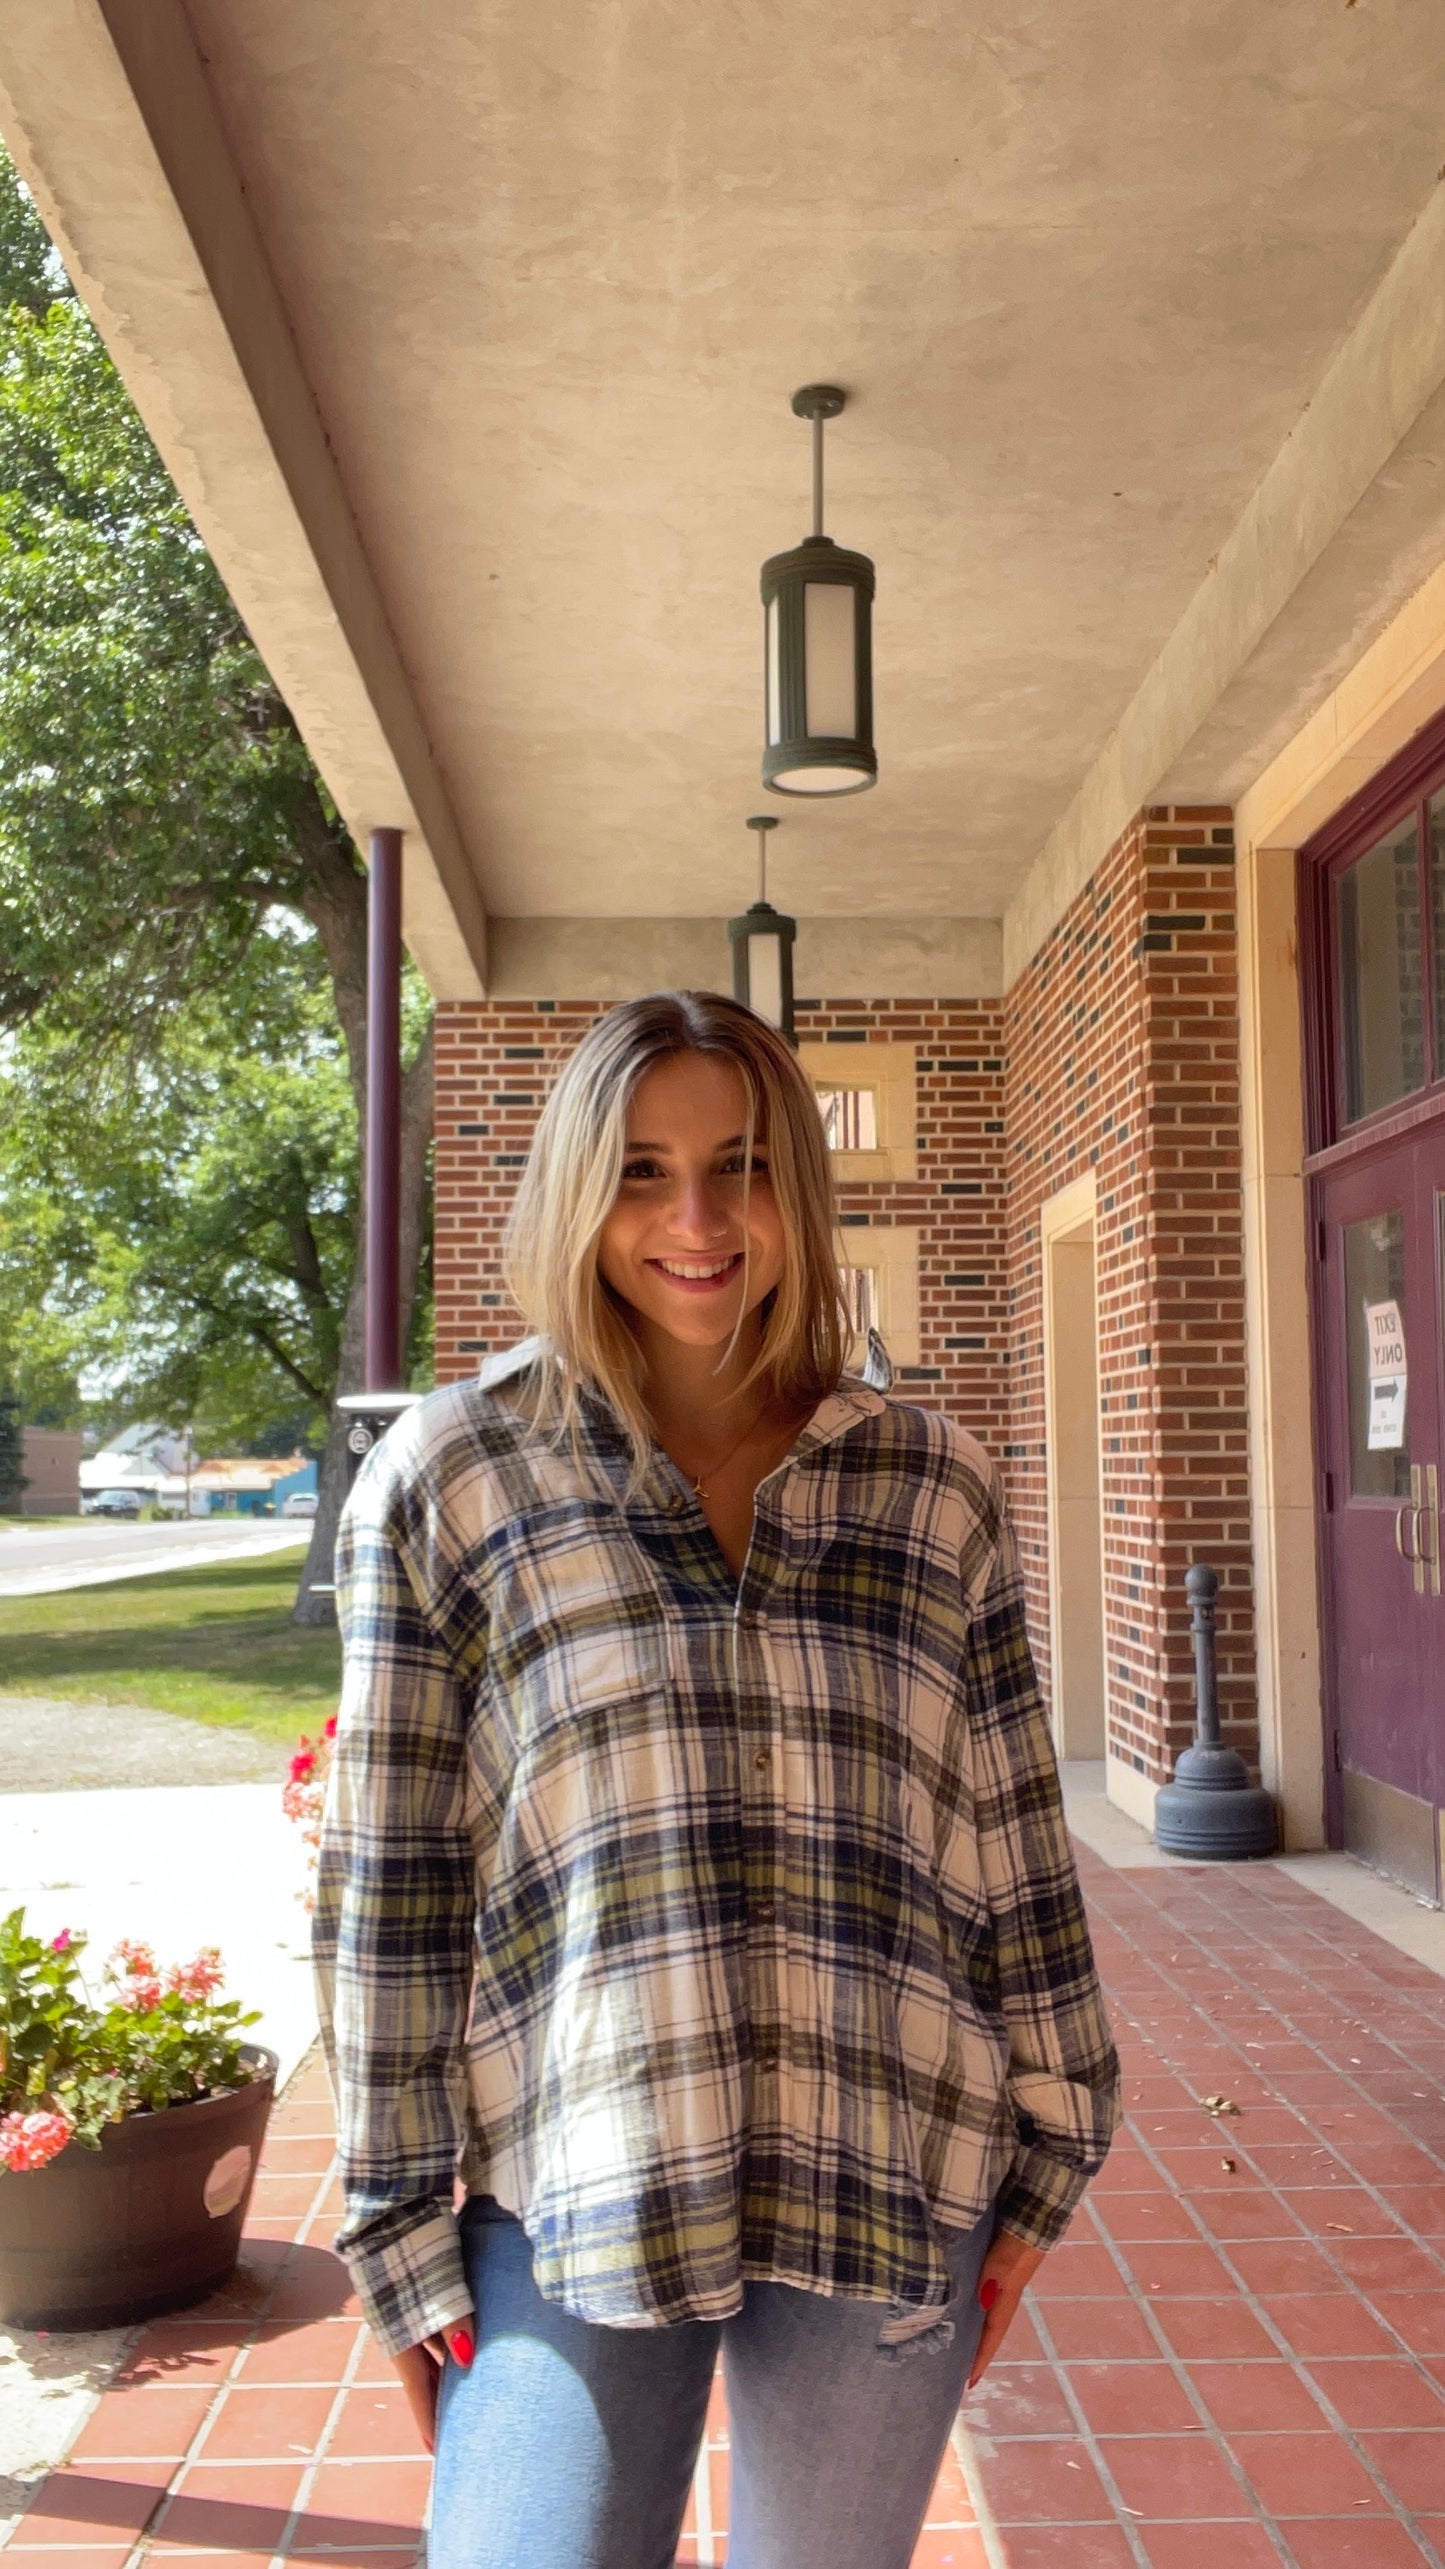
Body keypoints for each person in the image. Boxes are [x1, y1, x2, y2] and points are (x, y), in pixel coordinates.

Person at [315, 989, 1119, 2569]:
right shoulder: (454, 1476)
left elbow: (1015, 1834)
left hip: (885, 2159)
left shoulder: (927, 1483)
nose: (695, 1219)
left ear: (796, 1193)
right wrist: (397, 2223)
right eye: (638, 1171)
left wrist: (1049, 2147)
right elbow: (387, 1883)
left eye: (740, 1164)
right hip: (576, 2178)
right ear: (572, 1194)